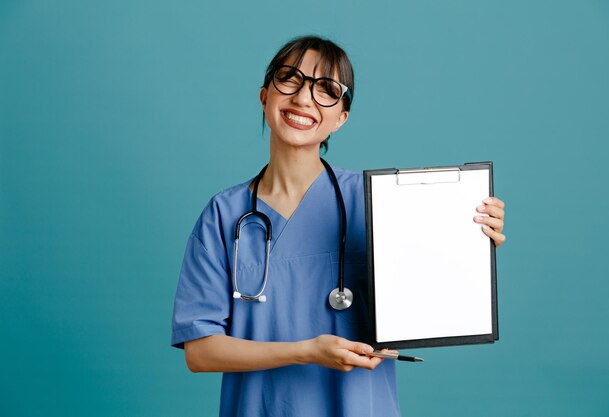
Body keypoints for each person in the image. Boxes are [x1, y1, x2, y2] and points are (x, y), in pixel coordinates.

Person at [171, 35, 506, 417]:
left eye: (326, 89)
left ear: (341, 118)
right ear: (265, 96)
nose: (302, 99)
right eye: (289, 79)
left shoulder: (376, 203)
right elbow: (199, 351)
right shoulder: (223, 215)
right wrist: (306, 351)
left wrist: (472, 242)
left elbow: (434, 293)